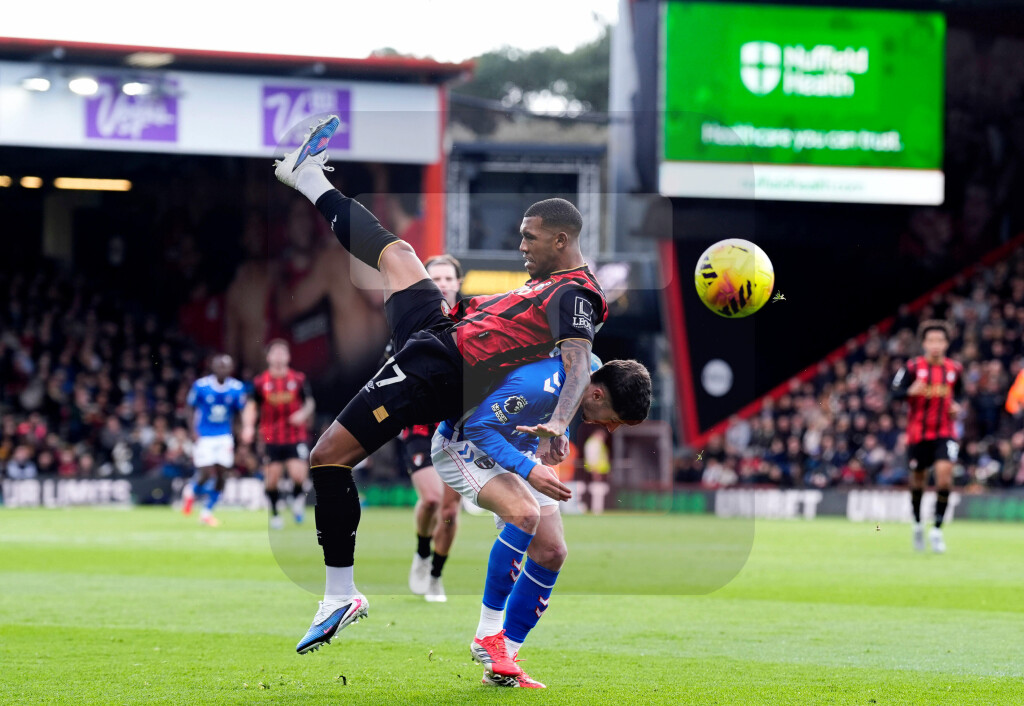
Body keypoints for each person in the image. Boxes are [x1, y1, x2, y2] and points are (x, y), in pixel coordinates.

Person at [275, 116, 608, 655]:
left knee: (327, 456)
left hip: (444, 369)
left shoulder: (577, 296)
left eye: (530, 237)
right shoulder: (551, 282)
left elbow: (578, 363)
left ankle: (339, 596)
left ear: (561, 240)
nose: (521, 245)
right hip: (443, 330)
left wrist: (558, 421)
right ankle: (308, 175)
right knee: (398, 255)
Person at [432, 356, 652, 688]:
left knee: (552, 552)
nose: (610, 428)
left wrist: (557, 434)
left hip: (516, 448)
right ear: (596, 395)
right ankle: (487, 636)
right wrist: (529, 469)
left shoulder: (589, 365)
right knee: (525, 513)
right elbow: (478, 426)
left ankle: (503, 662)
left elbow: (561, 404)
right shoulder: (536, 388)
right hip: (465, 444)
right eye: (614, 419)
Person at [403, 254, 465, 603]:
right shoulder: (410, 322)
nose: (442, 284)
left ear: (458, 283)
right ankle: (422, 551)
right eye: (435, 279)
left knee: (450, 511)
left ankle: (436, 576)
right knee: (430, 500)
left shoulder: (473, 320)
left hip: (459, 427)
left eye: (447, 278)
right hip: (419, 425)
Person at [891, 320, 963, 553]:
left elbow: (960, 394)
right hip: (918, 434)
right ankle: (917, 524)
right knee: (918, 481)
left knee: (944, 478)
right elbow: (893, 393)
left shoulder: (954, 369)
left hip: (945, 432)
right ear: (923, 343)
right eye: (931, 340)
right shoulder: (912, 367)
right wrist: (908, 392)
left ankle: (937, 531)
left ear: (946, 344)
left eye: (939, 340)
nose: (935, 345)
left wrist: (957, 407)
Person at [241, 340, 316, 530]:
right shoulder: (260, 382)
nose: (279, 356)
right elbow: (252, 406)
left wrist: (303, 414)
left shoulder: (298, 379)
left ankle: (297, 501)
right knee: (272, 479)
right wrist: (248, 427)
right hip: (270, 437)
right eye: (275, 353)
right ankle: (275, 513)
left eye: (282, 353)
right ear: (268, 357)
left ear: (288, 357)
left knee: (299, 475)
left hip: (295, 435)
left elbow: (309, 402)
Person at [182, 355, 247, 527]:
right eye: (220, 366)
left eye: (226, 366)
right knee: (204, 473)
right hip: (204, 436)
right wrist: (192, 431)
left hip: (224, 436)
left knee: (222, 474)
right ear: (213, 367)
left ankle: (207, 512)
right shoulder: (201, 386)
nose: (223, 369)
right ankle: (190, 490)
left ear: (231, 368)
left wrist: (241, 434)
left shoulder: (237, 388)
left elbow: (239, 413)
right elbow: (189, 408)